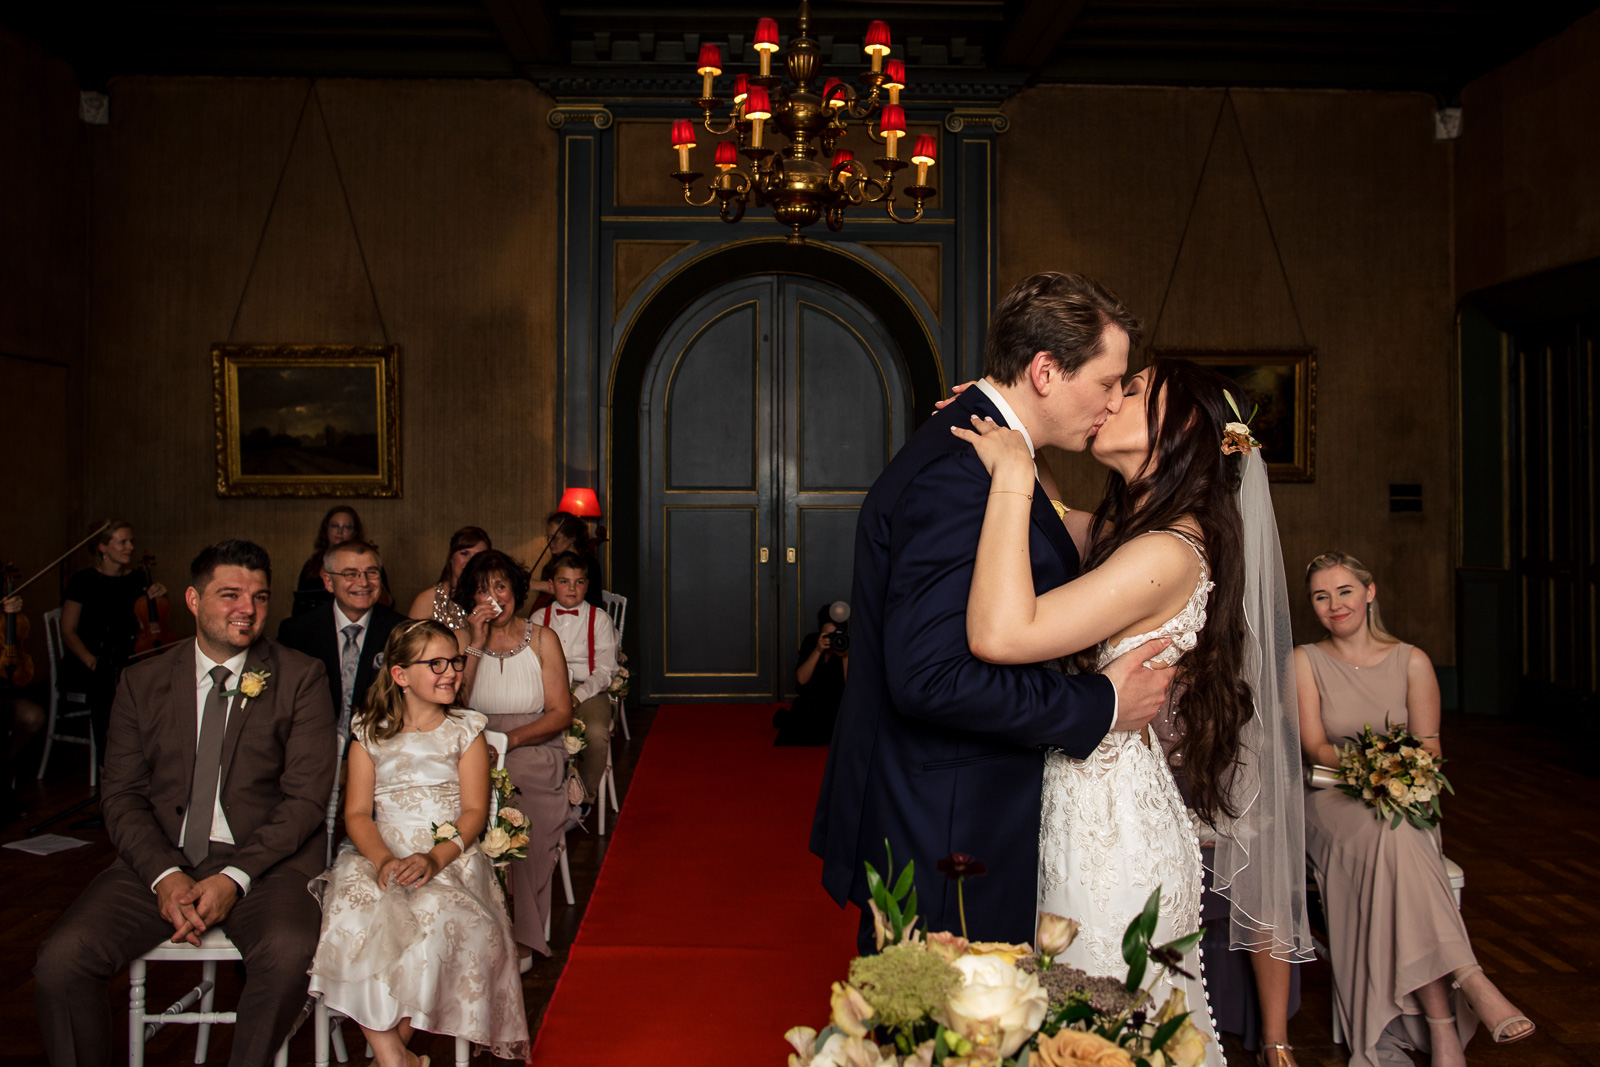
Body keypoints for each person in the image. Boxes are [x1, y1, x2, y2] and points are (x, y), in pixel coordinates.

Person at [811, 272, 1175, 956]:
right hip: (948, 818)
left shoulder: (990, 454)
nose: (1111, 401)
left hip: (956, 802)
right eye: (1108, 382)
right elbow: (930, 677)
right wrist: (1098, 703)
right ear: (1044, 371)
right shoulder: (962, 473)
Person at [34, 539, 336, 1067]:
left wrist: (234, 877)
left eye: (260, 597)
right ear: (194, 601)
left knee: (289, 953)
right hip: (158, 860)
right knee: (62, 959)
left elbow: (306, 799)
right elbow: (122, 795)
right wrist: (164, 876)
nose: (247, 608)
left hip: (266, 865)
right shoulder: (141, 680)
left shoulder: (301, 677)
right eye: (230, 594)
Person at [1297, 552, 1533, 1067]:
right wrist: (1372, 768)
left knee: (1398, 835)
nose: (1335, 605)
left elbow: (1428, 749)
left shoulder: (1414, 660)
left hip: (1401, 799)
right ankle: (1469, 982)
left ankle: (1443, 1025)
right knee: (1394, 836)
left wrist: (1392, 777)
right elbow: (1315, 747)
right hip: (1331, 799)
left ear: (1370, 592)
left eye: (1344, 592)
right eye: (1321, 596)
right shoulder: (1306, 661)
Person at [308, 619, 529, 1064]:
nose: (451, 672)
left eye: (455, 661)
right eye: (436, 663)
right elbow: (356, 814)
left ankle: (393, 1056)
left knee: (433, 923)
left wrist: (433, 858)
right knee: (355, 923)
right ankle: (395, 1056)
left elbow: (471, 814)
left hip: (447, 856)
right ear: (400, 675)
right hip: (378, 852)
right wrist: (384, 861)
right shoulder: (368, 735)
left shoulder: (465, 732)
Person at [454, 550, 572, 963]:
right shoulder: (460, 644)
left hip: (532, 747)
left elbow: (561, 712)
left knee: (516, 812)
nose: (493, 599)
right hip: (471, 749)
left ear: (515, 591)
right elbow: (453, 705)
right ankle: (470, 928)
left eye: (500, 587)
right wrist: (476, 645)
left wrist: (510, 741)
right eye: (482, 591)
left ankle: (522, 931)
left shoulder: (543, 639)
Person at [278, 538, 407, 739]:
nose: (363, 582)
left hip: (379, 745)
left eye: (371, 573)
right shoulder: (296, 632)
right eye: (350, 574)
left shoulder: (403, 631)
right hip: (313, 747)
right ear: (328, 582)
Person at [60, 521, 167, 760]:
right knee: (109, 685)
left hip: (129, 657)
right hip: (91, 660)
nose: (130, 547)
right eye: (123, 542)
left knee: (160, 681)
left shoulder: (139, 579)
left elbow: (151, 625)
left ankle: (151, 759)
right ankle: (109, 764)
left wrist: (159, 595)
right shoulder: (83, 581)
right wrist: (91, 661)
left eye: (131, 541)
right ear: (102, 547)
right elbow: (68, 630)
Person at [537, 551, 618, 812]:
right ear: (551, 585)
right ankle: (543, 795)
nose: (572, 589)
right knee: (535, 732)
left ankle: (583, 800)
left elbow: (605, 672)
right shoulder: (538, 619)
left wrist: (577, 696)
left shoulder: (600, 619)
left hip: (589, 689)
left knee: (595, 732)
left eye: (579, 582)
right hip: (547, 689)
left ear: (587, 585)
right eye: (564, 581)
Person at [293, 506, 393, 617]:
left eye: (347, 527)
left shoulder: (369, 563)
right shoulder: (311, 565)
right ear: (326, 530)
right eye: (335, 526)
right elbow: (298, 607)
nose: (340, 531)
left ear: (355, 532)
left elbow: (387, 603)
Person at [773, 603, 849, 746]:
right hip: (810, 704)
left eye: (835, 636)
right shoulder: (811, 641)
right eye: (827, 635)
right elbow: (802, 679)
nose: (831, 640)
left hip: (837, 706)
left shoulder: (849, 644)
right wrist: (818, 650)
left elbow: (851, 688)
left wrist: (845, 656)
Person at [406, 525, 491, 634]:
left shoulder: (494, 599)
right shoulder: (427, 600)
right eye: (464, 554)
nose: (470, 561)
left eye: (478, 556)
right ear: (450, 556)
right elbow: (409, 647)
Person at [531, 512, 604, 610]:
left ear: (572, 538)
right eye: (547, 537)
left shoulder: (590, 564)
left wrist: (539, 585)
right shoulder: (549, 566)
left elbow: (583, 598)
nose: (549, 542)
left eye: (554, 538)